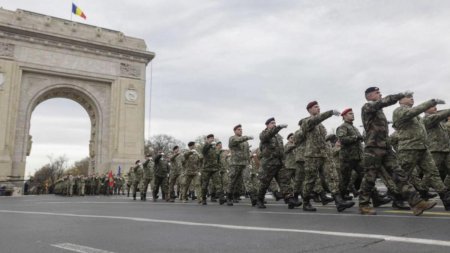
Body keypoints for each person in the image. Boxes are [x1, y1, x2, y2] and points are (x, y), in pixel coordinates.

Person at [359, 87, 436, 215]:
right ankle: (363, 205)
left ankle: (416, 203)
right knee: (370, 177)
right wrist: (400, 95)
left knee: (400, 175)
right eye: (377, 93)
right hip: (373, 148)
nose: (380, 94)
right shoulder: (367, 107)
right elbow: (384, 101)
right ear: (370, 96)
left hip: (386, 148)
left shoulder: (379, 112)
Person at [392, 93, 450, 210]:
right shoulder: (399, 111)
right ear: (400, 101)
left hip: (423, 148)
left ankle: (446, 200)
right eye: (408, 97)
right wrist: (431, 101)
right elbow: (414, 111)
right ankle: (397, 198)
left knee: (433, 173)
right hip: (409, 148)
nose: (411, 98)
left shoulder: (416, 116)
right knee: (404, 176)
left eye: (412, 96)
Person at [301, 101, 354, 212]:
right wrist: (330, 113)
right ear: (309, 110)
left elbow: (323, 140)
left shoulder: (321, 126)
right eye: (315, 107)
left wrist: (329, 151)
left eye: (319, 106)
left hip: (325, 155)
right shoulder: (306, 122)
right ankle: (305, 202)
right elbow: (316, 120)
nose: (318, 108)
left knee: (332, 176)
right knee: (310, 180)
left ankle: (339, 201)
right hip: (312, 155)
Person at [256, 117, 289, 208]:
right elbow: (267, 136)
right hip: (269, 164)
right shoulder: (264, 134)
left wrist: (283, 160)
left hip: (279, 162)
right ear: (267, 125)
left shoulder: (278, 137)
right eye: (272, 123)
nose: (274, 124)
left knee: (284, 181)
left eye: (275, 123)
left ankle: (290, 199)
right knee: (265, 183)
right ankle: (260, 199)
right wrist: (278, 127)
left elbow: (281, 149)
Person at [227, 124, 253, 206]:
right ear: (234, 131)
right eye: (238, 129)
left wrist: (249, 162)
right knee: (232, 181)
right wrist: (246, 137)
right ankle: (229, 197)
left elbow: (247, 153)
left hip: (244, 164)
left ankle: (253, 198)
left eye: (241, 129)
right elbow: (236, 141)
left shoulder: (245, 142)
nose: (240, 130)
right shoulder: (232, 138)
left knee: (247, 179)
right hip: (235, 164)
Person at [200, 134, 225, 205]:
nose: (212, 139)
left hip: (215, 169)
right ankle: (204, 199)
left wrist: (219, 167)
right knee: (205, 184)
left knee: (218, 184)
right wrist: (209, 144)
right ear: (207, 139)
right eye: (210, 138)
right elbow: (204, 150)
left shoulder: (215, 148)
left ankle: (221, 198)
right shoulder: (205, 146)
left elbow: (218, 159)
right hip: (206, 169)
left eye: (213, 138)